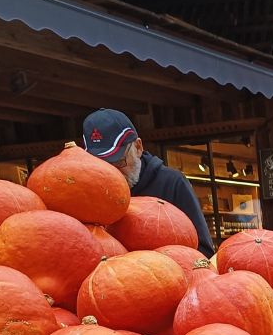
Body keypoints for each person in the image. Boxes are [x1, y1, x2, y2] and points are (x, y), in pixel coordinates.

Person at [82, 109, 214, 258]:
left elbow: (203, 250)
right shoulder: (88, 192)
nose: (112, 173)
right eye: (101, 165)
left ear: (138, 147)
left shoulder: (171, 183)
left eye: (119, 162)